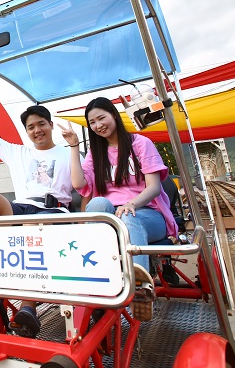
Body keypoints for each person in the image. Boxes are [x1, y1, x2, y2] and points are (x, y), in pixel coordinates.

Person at [0, 104, 75, 338]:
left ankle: (28, 307)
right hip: (21, 208)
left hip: (54, 211)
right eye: (31, 127)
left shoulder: (68, 153)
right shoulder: (19, 152)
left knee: (30, 226)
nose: (37, 130)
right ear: (27, 131)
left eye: (41, 124)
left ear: (51, 125)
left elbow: (85, 185)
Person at [59, 96, 178, 321]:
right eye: (92, 122)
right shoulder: (96, 153)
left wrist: (132, 204)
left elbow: (154, 187)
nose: (98, 125)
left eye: (101, 118)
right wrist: (74, 146)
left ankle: (140, 288)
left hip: (147, 213)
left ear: (114, 115)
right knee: (97, 204)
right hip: (113, 217)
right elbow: (78, 183)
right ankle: (93, 274)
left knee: (129, 218)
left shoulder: (140, 144)